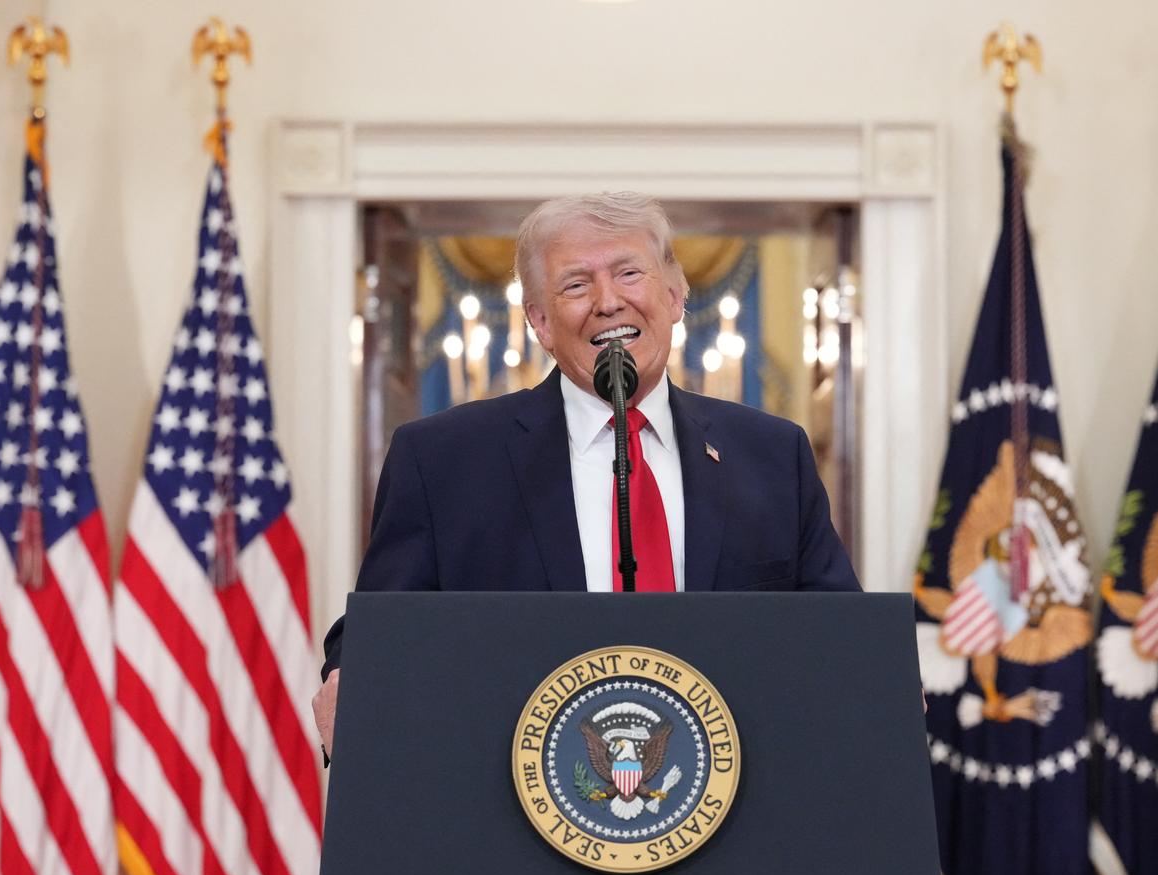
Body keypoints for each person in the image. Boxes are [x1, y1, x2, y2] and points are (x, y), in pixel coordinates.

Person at [313, 192, 861, 757]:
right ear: (541, 323)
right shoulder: (443, 460)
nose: (607, 302)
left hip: (733, 801)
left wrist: (876, 678)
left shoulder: (771, 455)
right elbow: (378, 631)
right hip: (516, 805)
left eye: (629, 273)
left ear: (675, 297)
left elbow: (838, 632)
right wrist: (350, 676)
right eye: (576, 285)